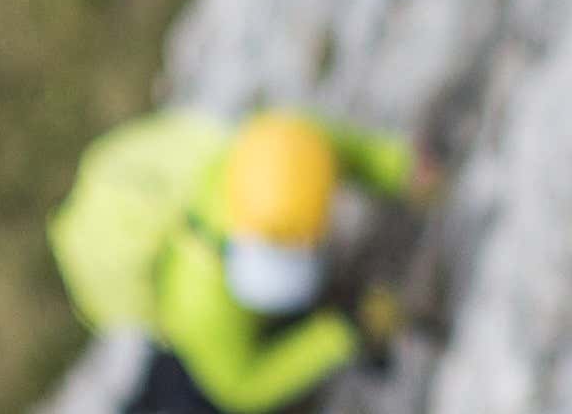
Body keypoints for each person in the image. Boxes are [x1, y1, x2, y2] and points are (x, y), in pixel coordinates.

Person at [50, 107, 435, 414]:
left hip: (212, 293)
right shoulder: (203, 304)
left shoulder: (281, 158)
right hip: (197, 333)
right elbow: (241, 387)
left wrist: (400, 168)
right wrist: (340, 335)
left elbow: (336, 151)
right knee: (188, 397)